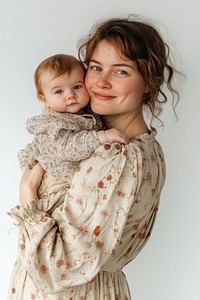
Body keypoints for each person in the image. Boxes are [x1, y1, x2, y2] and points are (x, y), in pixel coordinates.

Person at [8, 15, 179, 300]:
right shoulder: (146, 147)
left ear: (149, 82)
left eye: (121, 71)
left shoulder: (119, 155)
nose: (101, 82)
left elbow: (56, 267)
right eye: (96, 67)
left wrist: (27, 195)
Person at [18, 54, 129, 213]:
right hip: (54, 183)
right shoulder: (55, 123)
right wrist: (102, 137)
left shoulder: (84, 113)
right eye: (58, 91)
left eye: (77, 87)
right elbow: (67, 148)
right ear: (45, 100)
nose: (70, 95)